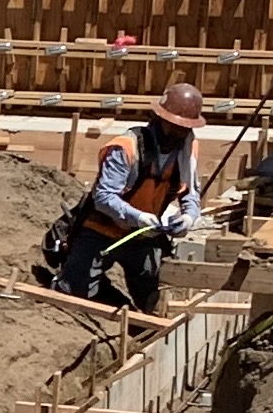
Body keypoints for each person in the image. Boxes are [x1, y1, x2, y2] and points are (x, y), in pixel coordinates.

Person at [39, 82, 206, 313]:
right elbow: (104, 196)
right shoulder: (127, 147)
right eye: (177, 126)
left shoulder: (187, 151)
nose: (181, 133)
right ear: (162, 120)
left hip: (142, 237)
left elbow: (191, 192)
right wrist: (137, 216)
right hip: (102, 230)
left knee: (152, 294)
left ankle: (143, 316)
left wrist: (189, 217)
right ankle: (77, 284)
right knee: (77, 296)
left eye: (186, 128)